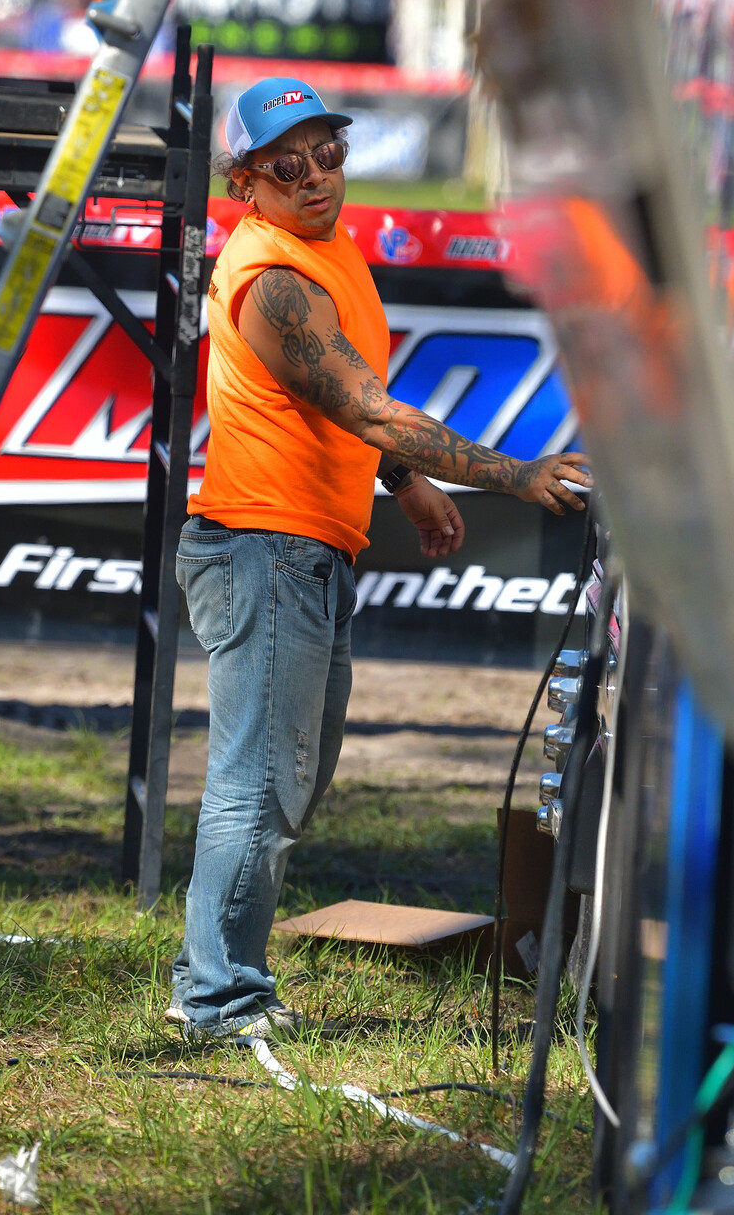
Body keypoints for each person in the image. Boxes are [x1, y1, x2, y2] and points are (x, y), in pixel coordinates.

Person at [168, 77, 590, 1041]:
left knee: (288, 781)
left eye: (327, 152)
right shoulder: (273, 278)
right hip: (265, 550)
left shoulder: (322, 245)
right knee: (260, 785)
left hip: (300, 550)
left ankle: (216, 974)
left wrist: (403, 481)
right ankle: (217, 995)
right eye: (287, 164)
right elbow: (363, 406)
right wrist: (513, 474)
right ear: (244, 182)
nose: (315, 175)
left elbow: (340, 406)